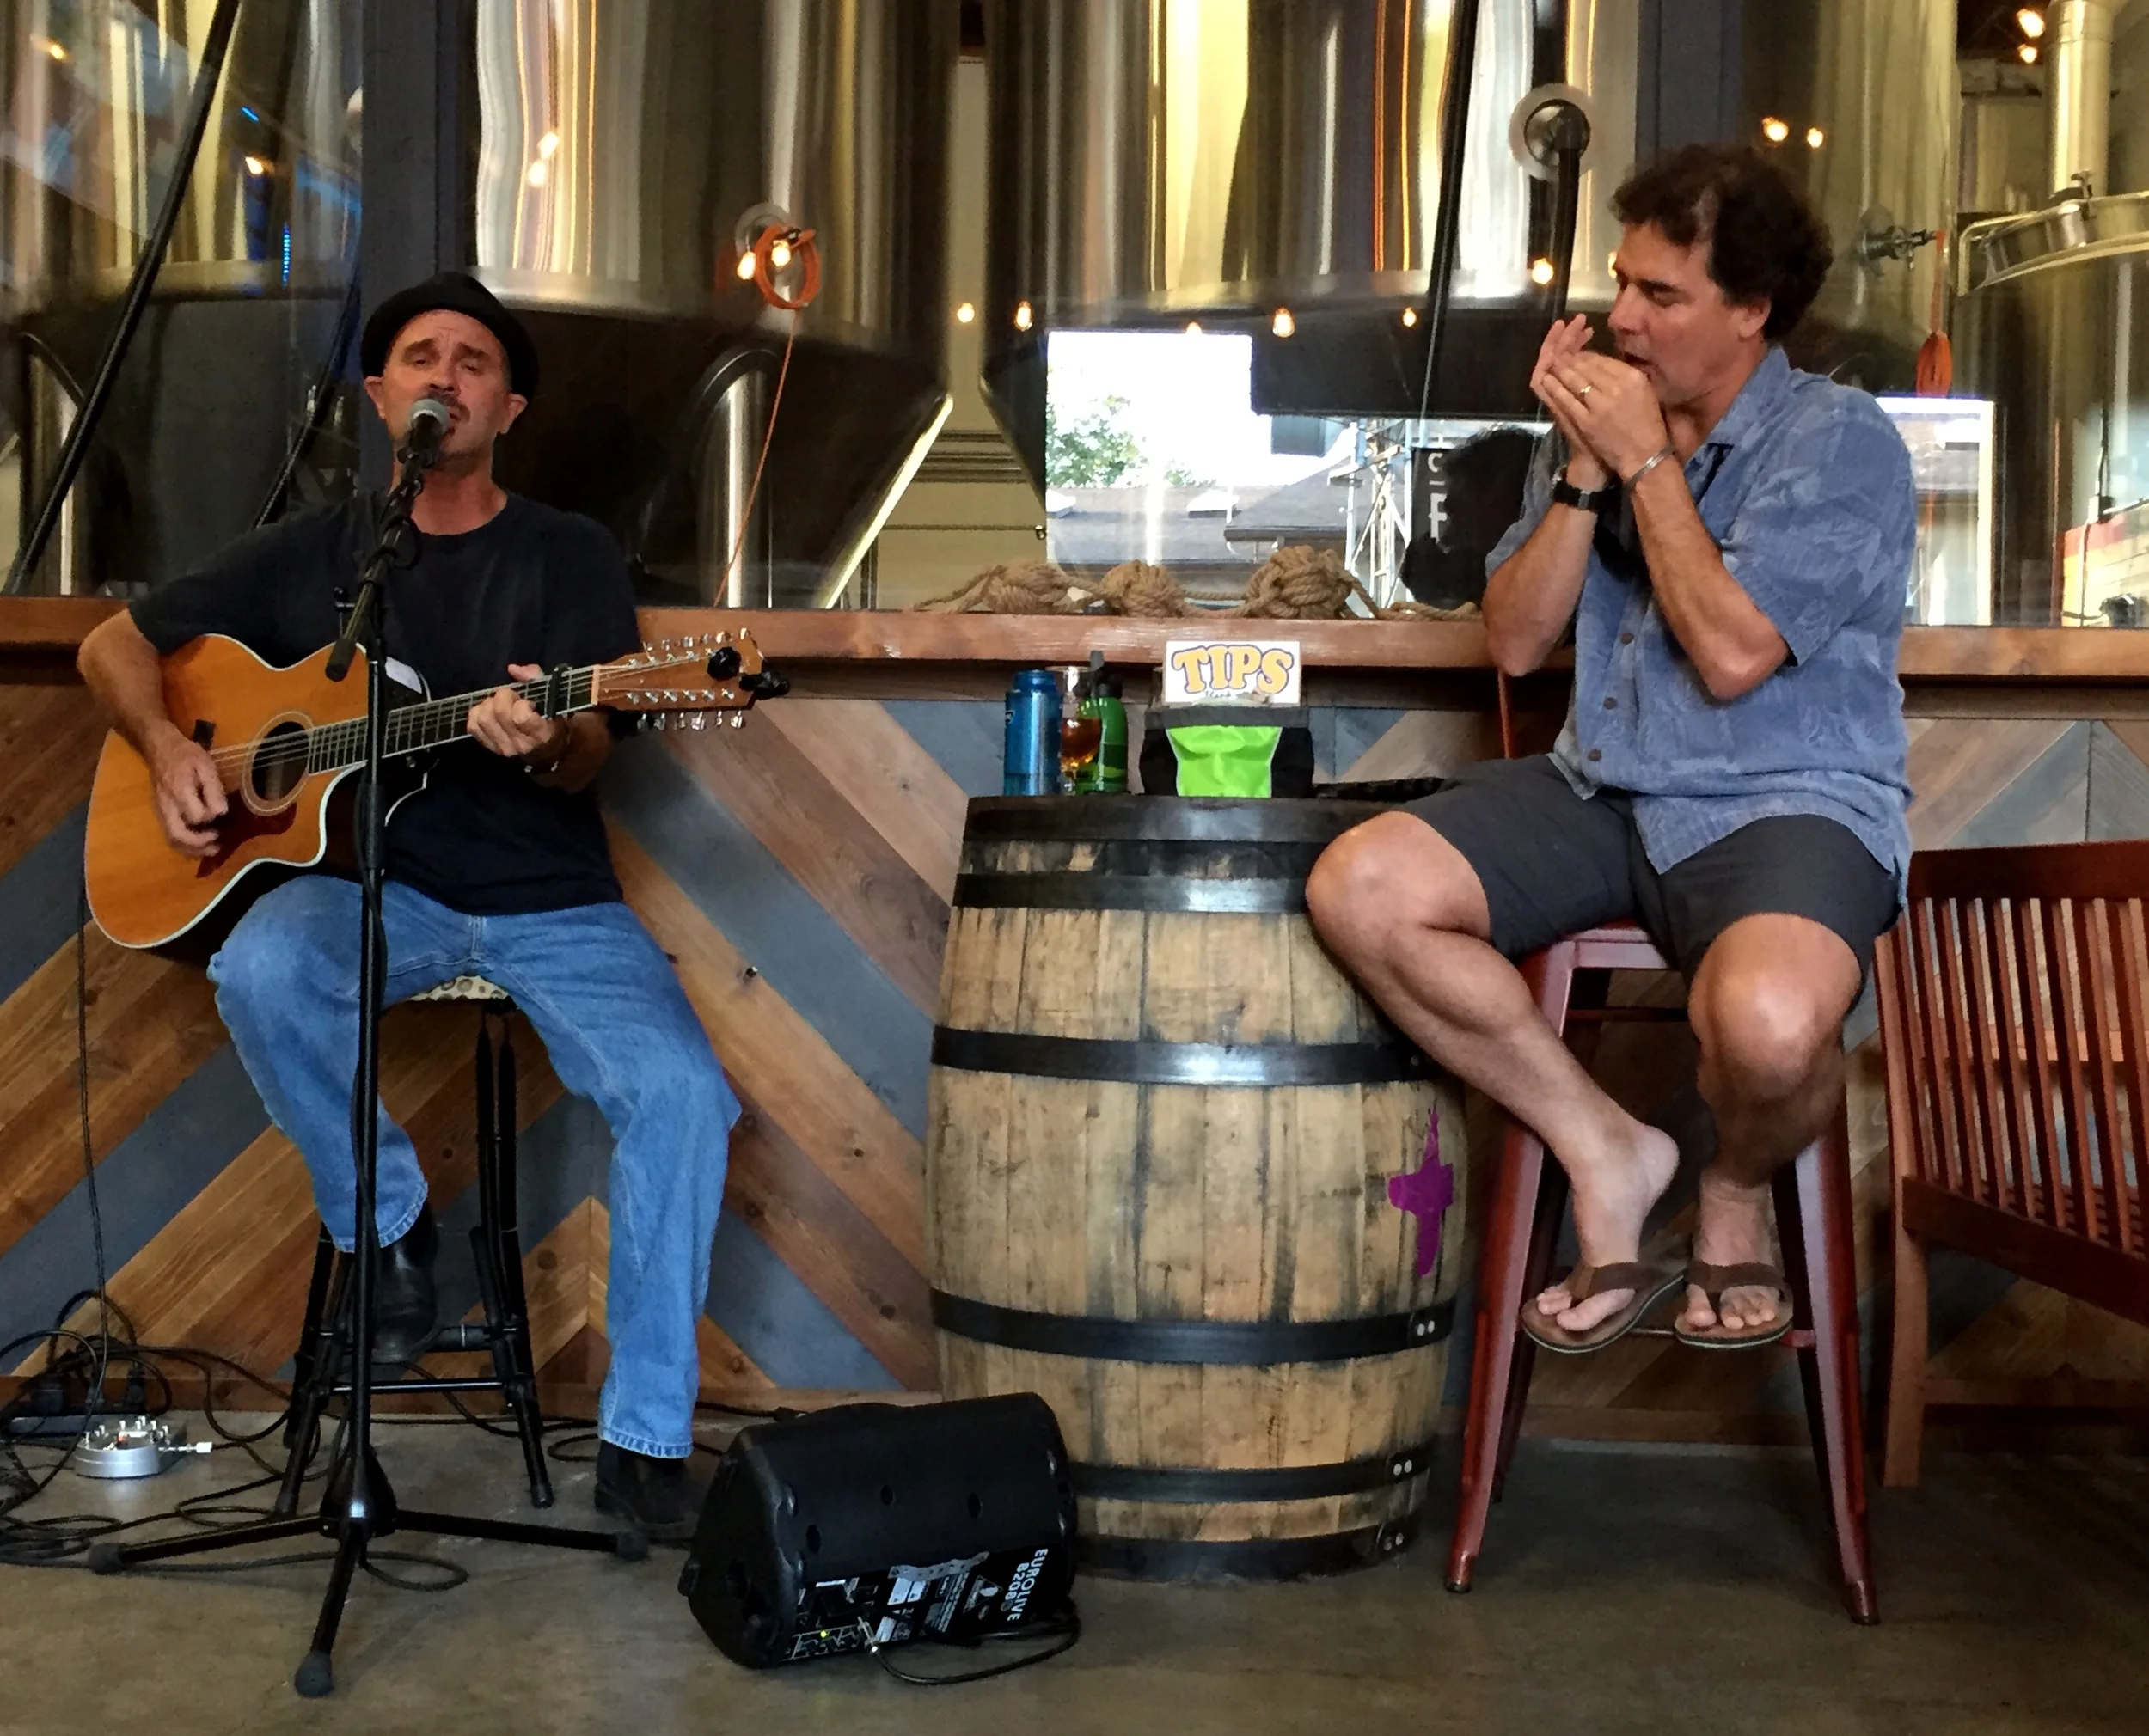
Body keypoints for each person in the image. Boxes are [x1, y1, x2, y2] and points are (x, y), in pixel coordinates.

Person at [77, 272, 738, 1540]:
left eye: (475, 361)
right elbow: (113, 644)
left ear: (511, 404)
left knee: (683, 1095)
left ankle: (646, 1444)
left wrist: (545, 740)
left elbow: (596, 740)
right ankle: (390, 1228)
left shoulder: (568, 554)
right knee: (263, 968)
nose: (447, 376)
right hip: (377, 895)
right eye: (420, 357)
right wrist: (169, 749)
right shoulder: (320, 553)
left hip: (550, 901)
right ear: (380, 397)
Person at [1308, 145, 1913, 1353]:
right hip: (1603, 788)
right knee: (1360, 887)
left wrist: (1645, 463)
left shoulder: (1841, 445)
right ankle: (1606, 1147)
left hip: (1784, 799)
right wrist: (1585, 473)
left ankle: (1734, 1188)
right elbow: (1519, 644)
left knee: (1777, 1029)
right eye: (1622, 285)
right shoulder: (1592, 434)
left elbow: (1736, 654)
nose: (1622, 321)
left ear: (1751, 313)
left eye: (1663, 296)